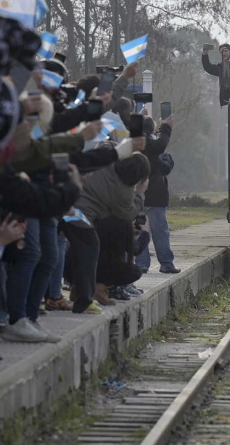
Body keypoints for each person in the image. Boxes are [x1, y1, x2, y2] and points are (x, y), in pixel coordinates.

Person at [61, 154, 150, 313]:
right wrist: (140, 193)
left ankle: (74, 290)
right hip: (81, 215)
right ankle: (85, 300)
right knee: (89, 251)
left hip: (65, 204)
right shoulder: (124, 191)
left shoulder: (108, 163)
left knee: (72, 249)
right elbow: (129, 213)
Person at [136, 115, 179, 274]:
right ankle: (166, 263)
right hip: (155, 195)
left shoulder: (132, 145)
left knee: (139, 229)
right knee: (160, 231)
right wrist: (168, 159)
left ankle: (141, 263)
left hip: (137, 196)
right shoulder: (154, 149)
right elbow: (164, 168)